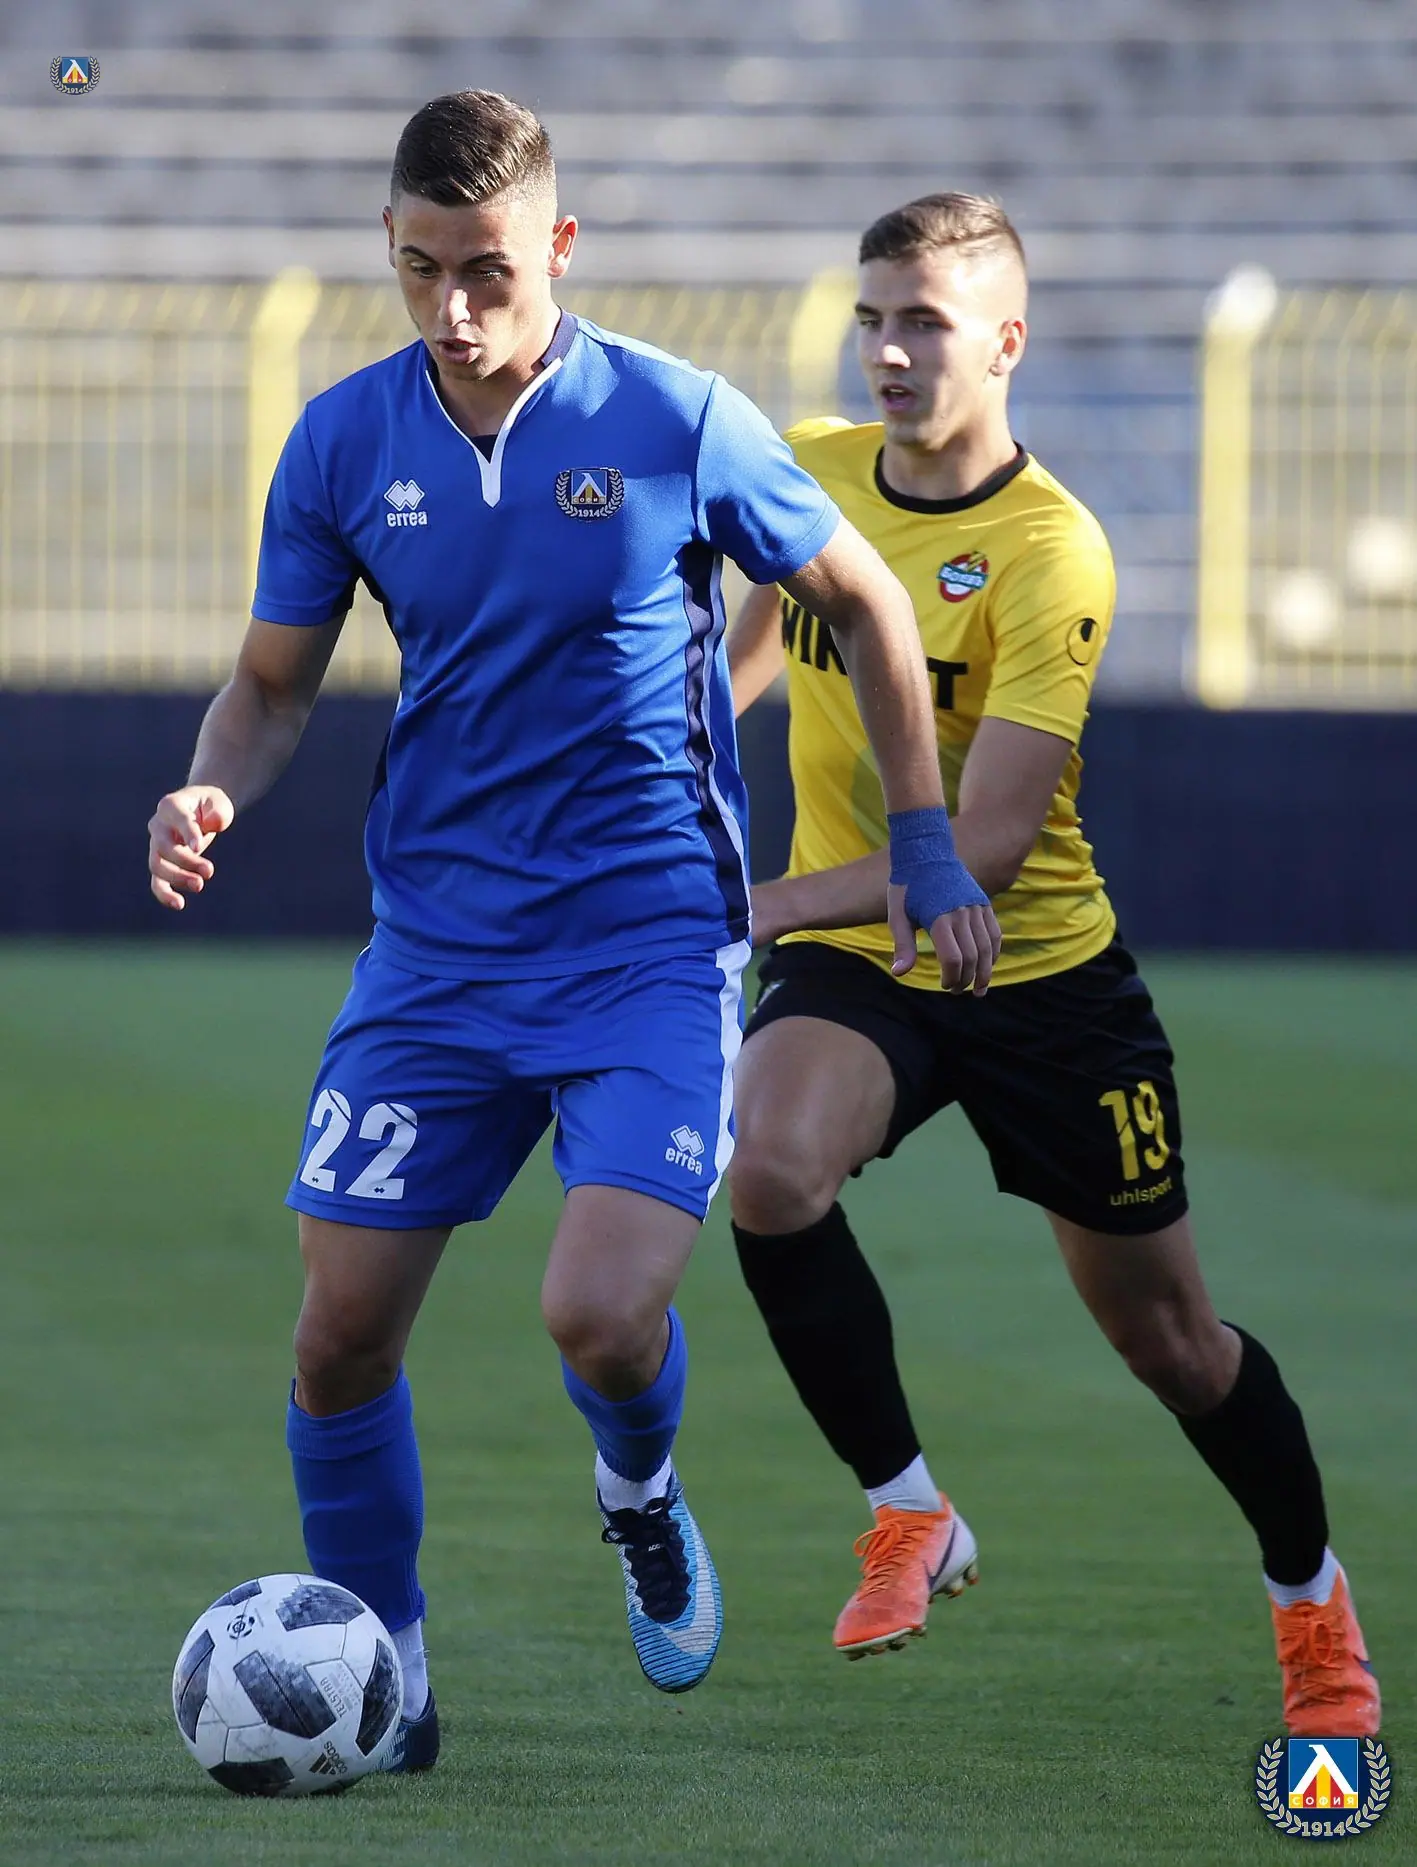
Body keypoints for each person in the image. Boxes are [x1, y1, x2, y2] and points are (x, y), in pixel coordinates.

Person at [145, 101, 1000, 1769]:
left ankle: (640, 1488)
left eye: (485, 270)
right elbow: (268, 687)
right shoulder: (341, 441)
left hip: (648, 947)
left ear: (558, 246)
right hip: (435, 955)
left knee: (600, 1316)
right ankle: (386, 1673)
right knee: (336, 1335)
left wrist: (918, 839)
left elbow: (871, 600)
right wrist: (208, 786)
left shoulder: (675, 417)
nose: (451, 307)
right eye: (418, 270)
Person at [726, 192, 1379, 1739]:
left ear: (1007, 342)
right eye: (872, 318)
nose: (889, 351)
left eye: (925, 322)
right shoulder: (811, 471)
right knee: (768, 1168)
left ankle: (1313, 1606)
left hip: (1042, 983)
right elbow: (738, 657)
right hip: (864, 955)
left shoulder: (1050, 548)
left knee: (1173, 1343)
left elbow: (993, 844)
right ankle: (908, 1508)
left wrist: (747, 902)